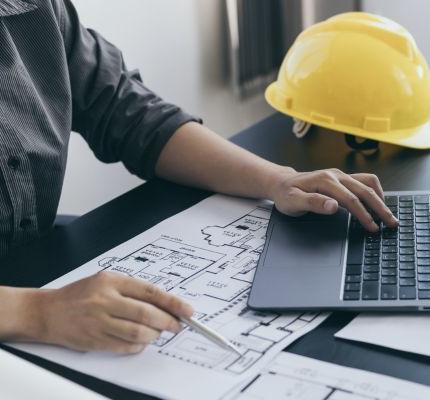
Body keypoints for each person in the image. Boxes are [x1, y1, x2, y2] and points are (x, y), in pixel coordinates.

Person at [0, 0, 397, 353]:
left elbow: (129, 113)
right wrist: (39, 313)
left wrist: (278, 180)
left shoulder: (37, 9)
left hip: (36, 256)